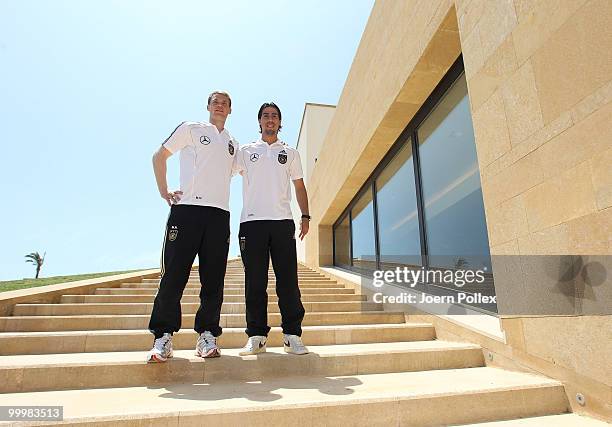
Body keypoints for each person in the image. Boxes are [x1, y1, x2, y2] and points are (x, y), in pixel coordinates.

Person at [146, 91, 237, 362]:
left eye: (225, 102)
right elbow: (159, 157)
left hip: (219, 216)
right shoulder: (191, 129)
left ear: (230, 110)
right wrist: (164, 192)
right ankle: (163, 337)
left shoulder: (233, 143)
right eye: (215, 101)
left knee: (213, 281)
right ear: (208, 106)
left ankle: (207, 336)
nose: (220, 105)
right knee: (173, 276)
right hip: (186, 213)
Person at [234, 102, 311, 356]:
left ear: (280, 122)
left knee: (288, 281)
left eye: (274, 116)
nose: (270, 119)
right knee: (255, 282)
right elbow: (222, 172)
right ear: (259, 121)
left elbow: (299, 186)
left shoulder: (290, 153)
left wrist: (306, 216)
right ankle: (257, 336)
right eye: (265, 116)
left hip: (282, 223)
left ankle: (292, 335)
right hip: (252, 224)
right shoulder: (245, 151)